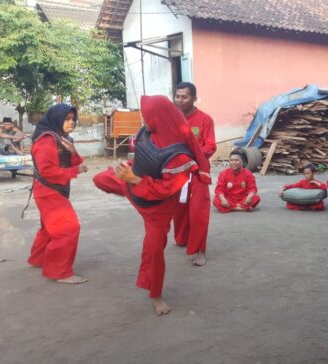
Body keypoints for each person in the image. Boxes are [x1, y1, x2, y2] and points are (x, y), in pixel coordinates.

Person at [92, 95, 209, 315]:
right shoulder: (149, 132)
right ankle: (126, 191)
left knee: (154, 250)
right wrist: (126, 170)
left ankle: (156, 295)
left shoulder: (180, 156)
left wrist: (133, 179)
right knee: (99, 178)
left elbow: (166, 189)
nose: (143, 120)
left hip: (158, 206)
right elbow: (143, 158)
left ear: (158, 117)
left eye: (146, 116)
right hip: (133, 183)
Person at [27, 104, 88, 284]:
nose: (71, 123)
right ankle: (60, 272)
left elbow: (74, 161)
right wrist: (75, 171)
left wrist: (73, 152)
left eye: (73, 119)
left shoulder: (62, 138)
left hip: (53, 190)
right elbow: (47, 171)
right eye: (67, 119)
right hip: (49, 191)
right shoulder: (47, 140)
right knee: (67, 229)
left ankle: (37, 259)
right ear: (56, 119)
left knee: (49, 228)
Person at [172, 82, 215, 266]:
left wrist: (192, 157)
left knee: (198, 211)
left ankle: (200, 250)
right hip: (177, 172)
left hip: (198, 172)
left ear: (194, 98)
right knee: (179, 209)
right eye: (177, 96)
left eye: (184, 97)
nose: (180, 100)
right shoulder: (172, 119)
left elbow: (210, 146)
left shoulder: (205, 119)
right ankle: (182, 239)